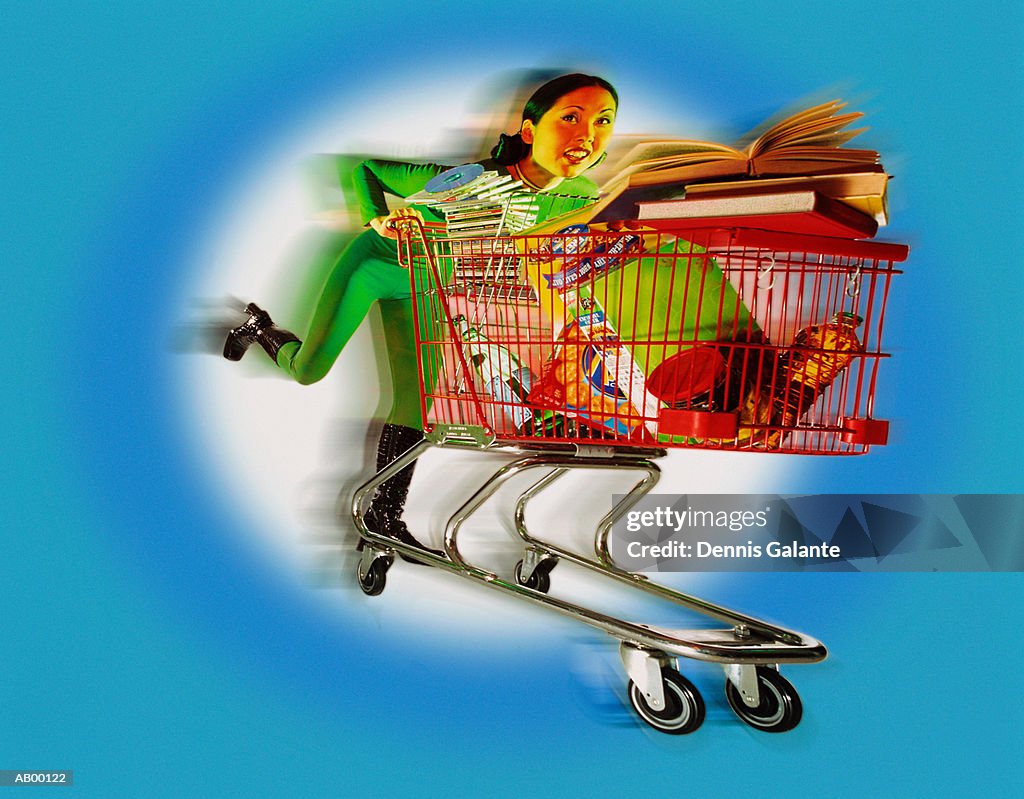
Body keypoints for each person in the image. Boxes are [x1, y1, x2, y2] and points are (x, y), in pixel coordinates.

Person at [223, 73, 619, 558]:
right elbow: (368, 169)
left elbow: (572, 240)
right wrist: (377, 219)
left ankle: (385, 517)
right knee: (308, 372)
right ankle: (260, 329)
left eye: (602, 122)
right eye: (570, 118)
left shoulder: (580, 196)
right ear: (531, 130)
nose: (586, 135)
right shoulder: (473, 179)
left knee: (417, 407)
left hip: (431, 285)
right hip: (374, 268)